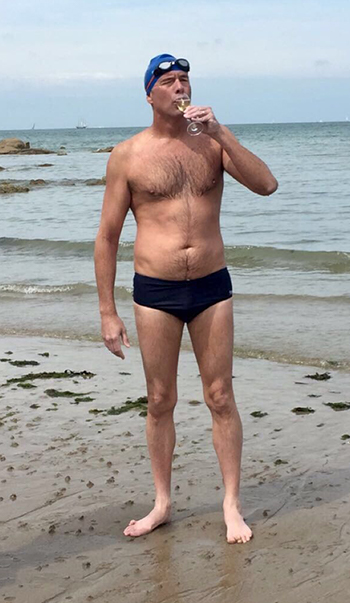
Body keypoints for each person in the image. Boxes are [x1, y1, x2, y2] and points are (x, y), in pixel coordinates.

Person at [94, 53, 278, 544]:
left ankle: (231, 505)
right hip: (155, 291)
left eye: (184, 80)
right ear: (150, 93)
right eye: (169, 81)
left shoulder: (212, 145)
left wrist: (221, 133)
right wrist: (108, 312)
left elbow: (267, 185)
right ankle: (162, 503)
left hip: (212, 286)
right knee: (160, 399)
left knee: (220, 396)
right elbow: (107, 237)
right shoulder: (128, 155)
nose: (179, 88)